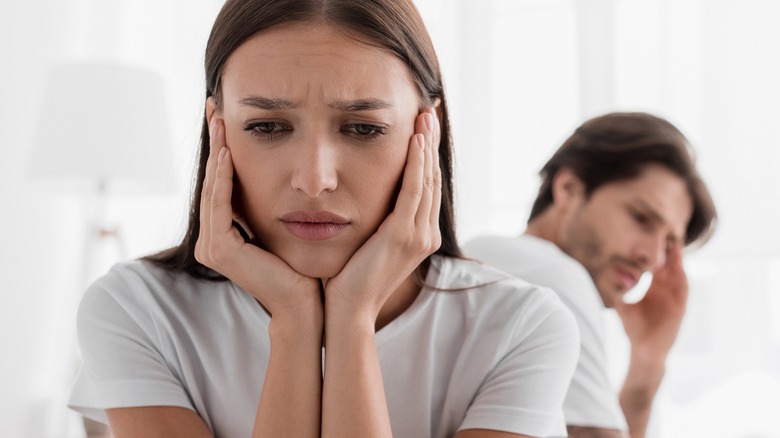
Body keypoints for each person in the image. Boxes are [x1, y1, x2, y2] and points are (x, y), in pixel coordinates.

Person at [67, 1, 581, 437]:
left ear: (430, 130)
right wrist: (293, 321)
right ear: (217, 128)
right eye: (267, 126)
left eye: (362, 128)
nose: (315, 181)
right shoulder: (137, 311)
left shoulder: (520, 329)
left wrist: (352, 319)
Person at [464, 112, 717, 438]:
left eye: (669, 244)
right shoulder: (548, 272)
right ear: (569, 188)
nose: (652, 258)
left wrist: (648, 359)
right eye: (641, 218)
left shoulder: (487, 255)